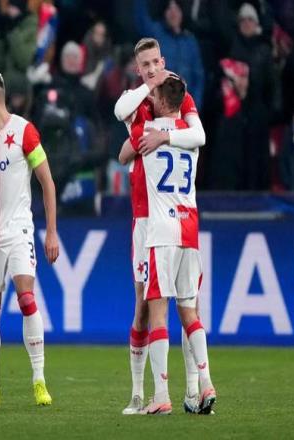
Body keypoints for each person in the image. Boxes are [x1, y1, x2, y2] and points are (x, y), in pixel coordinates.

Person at [115, 37, 205, 415]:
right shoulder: (140, 101)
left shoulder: (177, 95)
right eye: (145, 65)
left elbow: (198, 135)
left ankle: (192, 390)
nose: (152, 69)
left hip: (169, 215)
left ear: (163, 61)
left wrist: (162, 136)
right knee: (144, 307)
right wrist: (146, 88)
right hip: (144, 219)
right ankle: (139, 393)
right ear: (138, 69)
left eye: (156, 62)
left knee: (185, 306)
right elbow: (121, 115)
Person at [0, 71, 59, 406]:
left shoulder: (24, 131)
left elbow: (47, 182)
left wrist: (51, 231)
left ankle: (39, 380)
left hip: (19, 230)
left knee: (26, 299)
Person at [138, 77, 216, 415]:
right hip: (190, 228)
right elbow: (199, 134)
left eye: (154, 95)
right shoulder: (191, 133)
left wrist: (147, 85)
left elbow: (121, 111)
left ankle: (161, 395)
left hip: (161, 231)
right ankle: (207, 382)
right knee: (189, 312)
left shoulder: (147, 131)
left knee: (158, 311)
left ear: (161, 101)